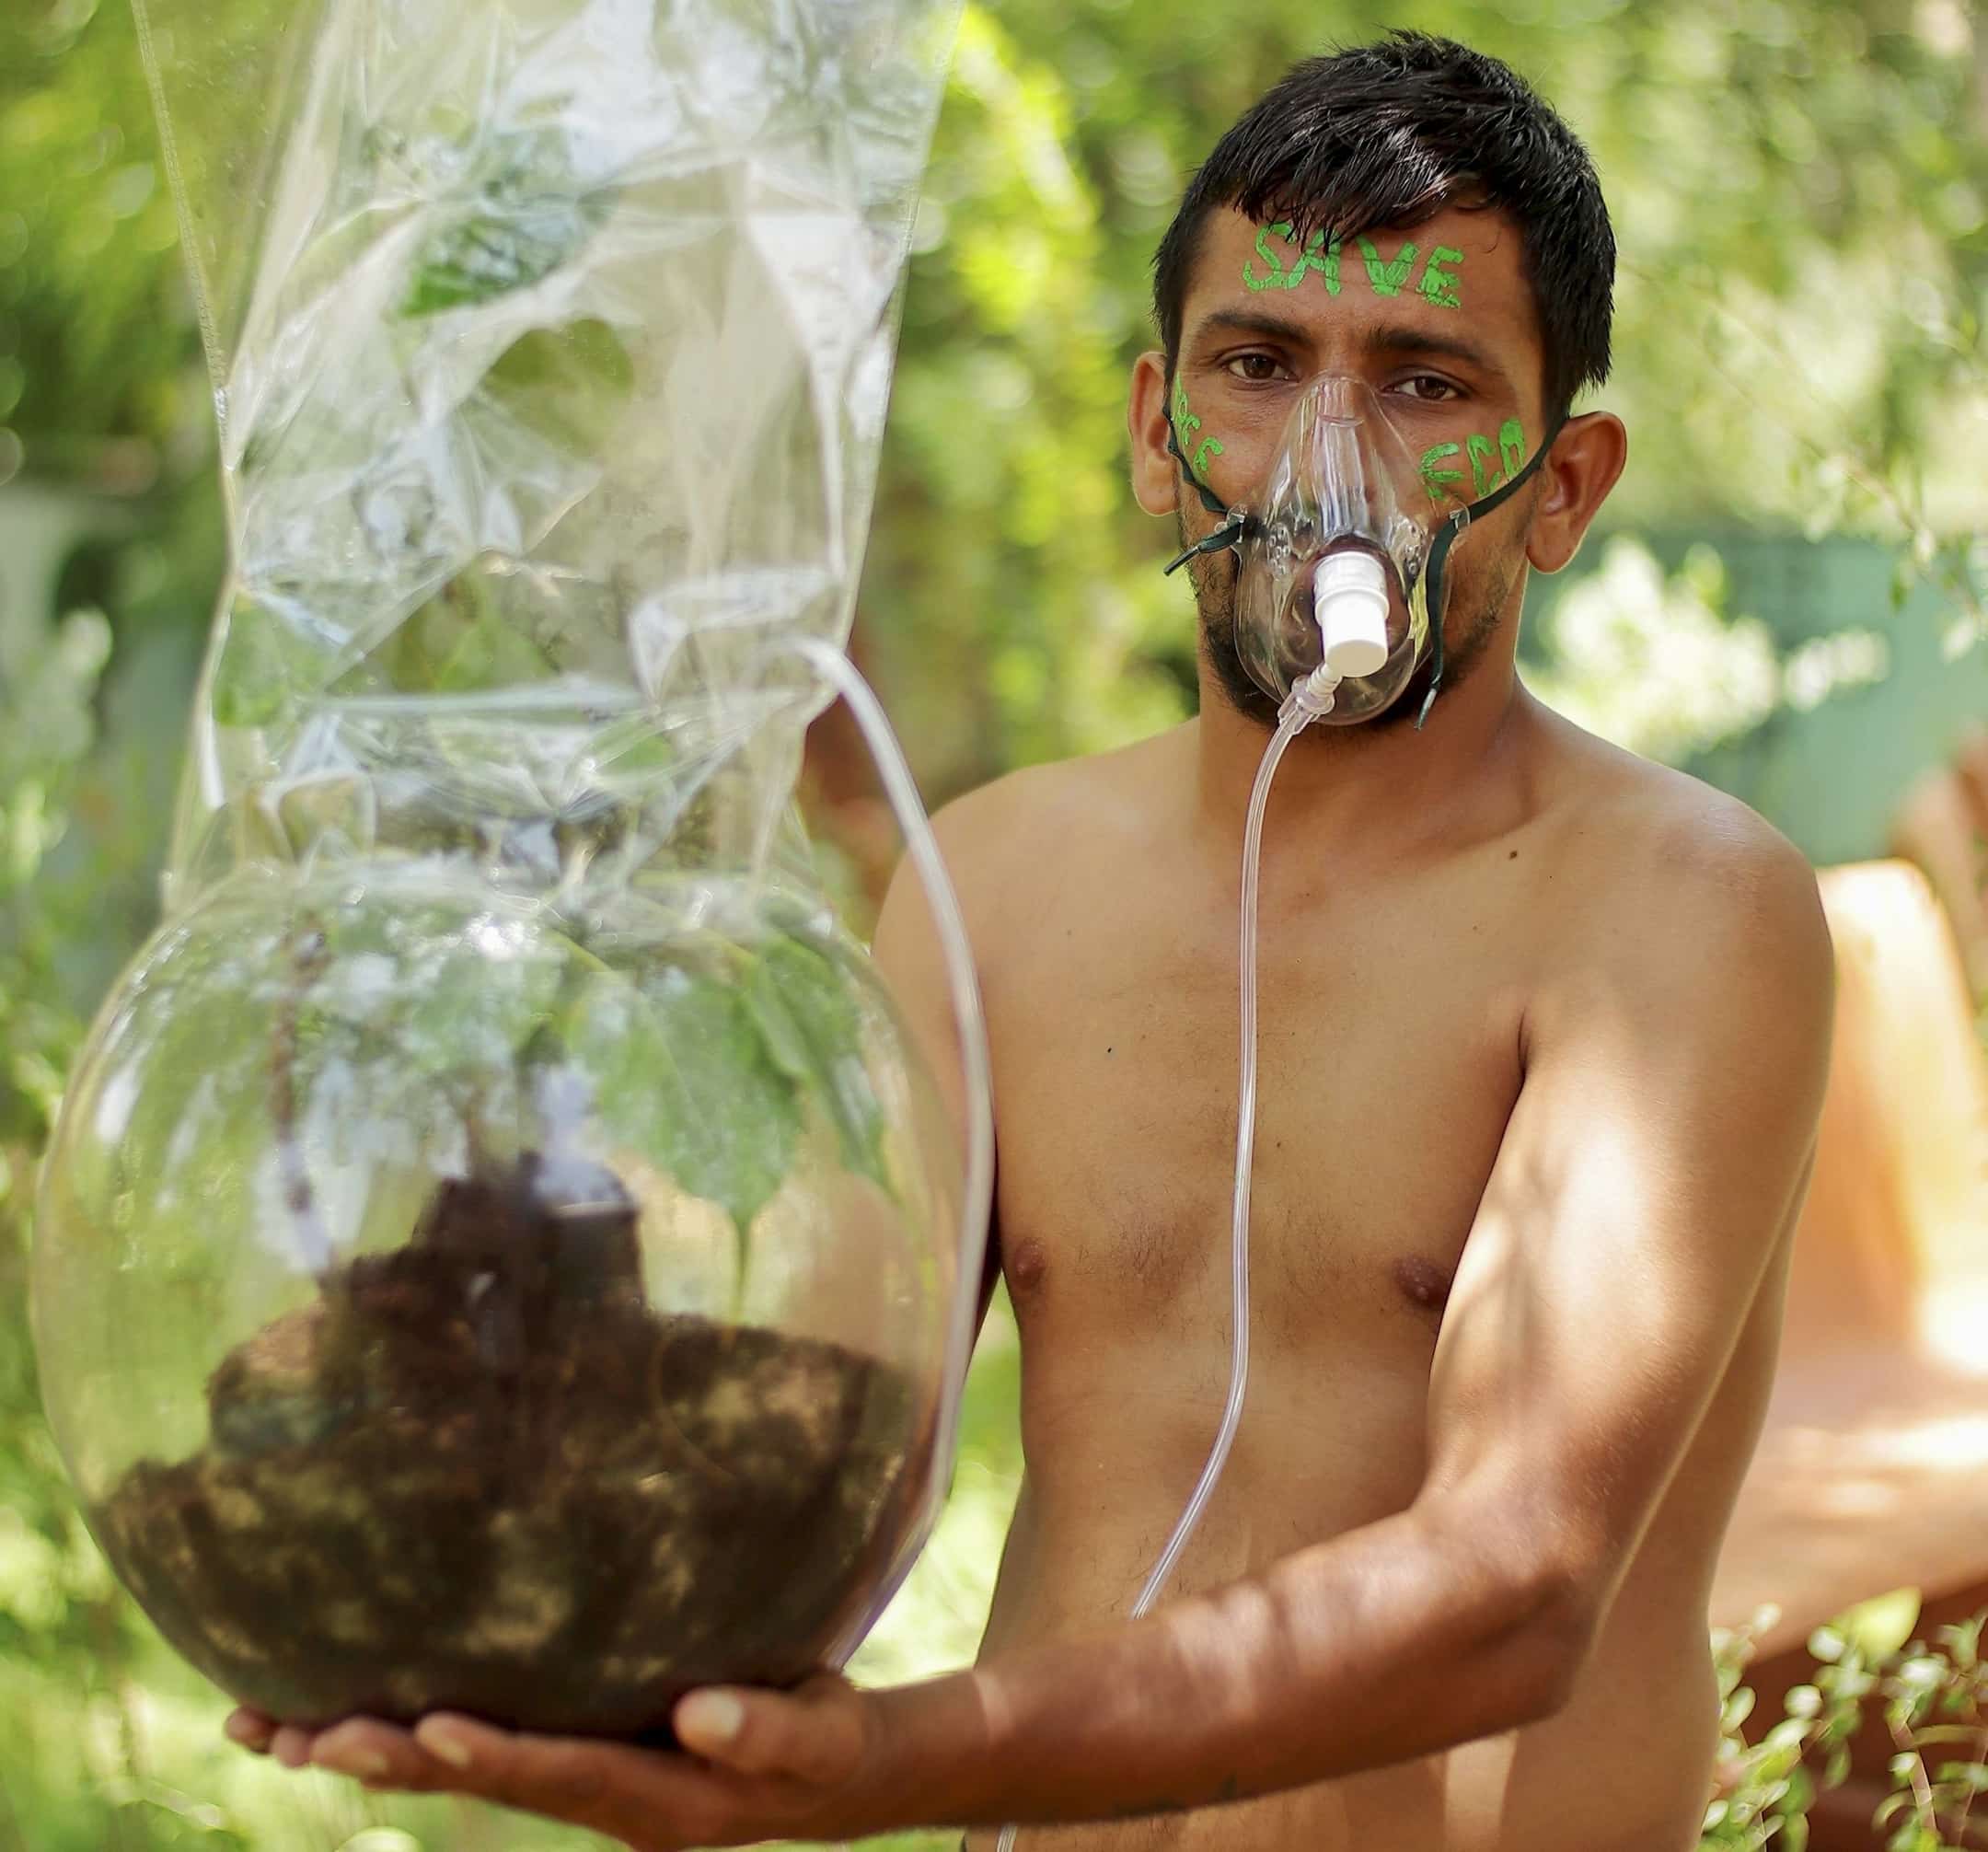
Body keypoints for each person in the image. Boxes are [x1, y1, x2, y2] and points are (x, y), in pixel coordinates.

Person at [227, 32, 1834, 1852]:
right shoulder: (1000, 883)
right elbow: (809, 1458)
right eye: (1259, 363)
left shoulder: (1679, 914)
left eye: (1424, 382)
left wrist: (895, 1764)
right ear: (1159, 433)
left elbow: (1514, 1588)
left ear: (1564, 479)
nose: (1326, 456)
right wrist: (454, 1414)